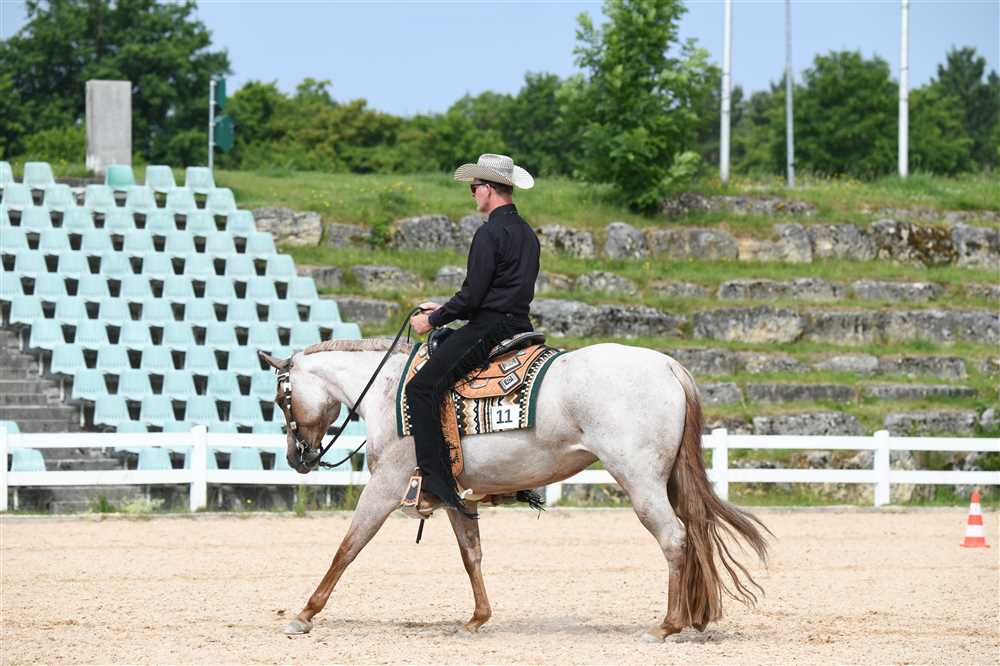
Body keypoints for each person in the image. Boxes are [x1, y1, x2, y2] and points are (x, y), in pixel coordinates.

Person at [406, 154, 540, 517]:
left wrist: (432, 320)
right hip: (520, 325)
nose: (472, 194)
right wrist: (446, 308)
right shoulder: (528, 233)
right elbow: (493, 292)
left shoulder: (489, 233)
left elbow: (472, 298)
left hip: (490, 328)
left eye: (474, 187)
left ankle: (435, 485)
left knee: (420, 389)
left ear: (489, 189)